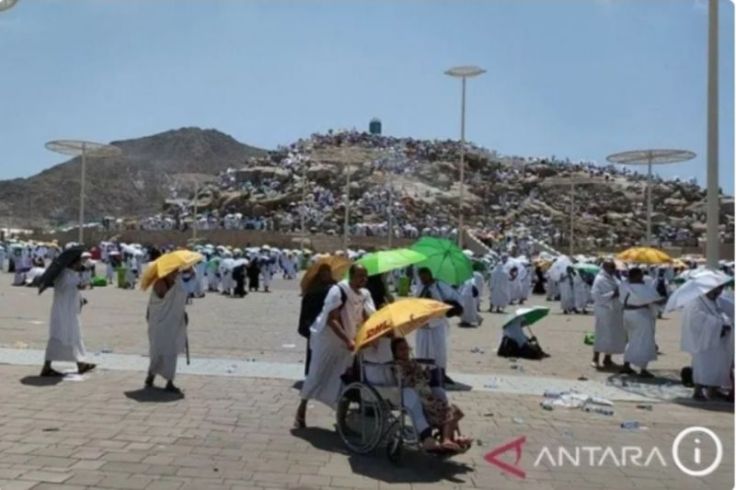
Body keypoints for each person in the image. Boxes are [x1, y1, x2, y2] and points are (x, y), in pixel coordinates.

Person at [295, 264, 375, 428]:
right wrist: (347, 340)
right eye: (360, 276)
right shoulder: (338, 290)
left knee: (344, 380)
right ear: (351, 276)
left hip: (348, 343)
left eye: (365, 276)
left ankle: (342, 421)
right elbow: (332, 320)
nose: (363, 279)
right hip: (329, 341)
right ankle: (301, 409)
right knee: (317, 374)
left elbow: (367, 316)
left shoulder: (365, 294)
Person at [391, 337, 471, 452]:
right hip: (419, 397)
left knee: (451, 409)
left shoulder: (413, 362)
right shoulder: (397, 366)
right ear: (395, 353)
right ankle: (447, 440)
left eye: (406, 348)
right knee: (449, 411)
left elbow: (424, 379)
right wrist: (416, 374)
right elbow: (407, 381)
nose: (405, 351)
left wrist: (425, 373)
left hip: (427, 395)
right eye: (401, 349)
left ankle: (449, 438)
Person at [40, 257, 96, 377]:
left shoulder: (70, 274)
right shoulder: (65, 275)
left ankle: (80, 364)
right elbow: (72, 287)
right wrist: (82, 279)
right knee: (58, 337)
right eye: (78, 262)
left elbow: (75, 290)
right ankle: (47, 366)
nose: (80, 264)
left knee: (74, 336)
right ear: (72, 263)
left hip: (69, 311)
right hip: (62, 312)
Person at [681, 284, 734, 401]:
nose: (717, 293)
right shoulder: (696, 302)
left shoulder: (718, 301)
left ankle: (713, 390)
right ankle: (698, 391)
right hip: (703, 341)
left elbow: (730, 310)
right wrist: (718, 324)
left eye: (720, 290)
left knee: (718, 367)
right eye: (715, 290)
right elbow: (695, 319)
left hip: (719, 340)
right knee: (702, 367)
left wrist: (725, 322)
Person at [413, 267, 461, 385]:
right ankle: (425, 373)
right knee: (422, 351)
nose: (423, 278)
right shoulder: (419, 287)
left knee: (439, 352)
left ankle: (441, 374)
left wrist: (434, 292)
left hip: (437, 325)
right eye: (421, 276)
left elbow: (450, 300)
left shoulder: (440, 286)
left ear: (430, 274)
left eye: (425, 275)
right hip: (423, 326)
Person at [145, 267, 189, 393]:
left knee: (171, 350)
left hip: (172, 323)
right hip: (159, 323)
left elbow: (177, 302)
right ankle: (151, 375)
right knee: (157, 350)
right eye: (173, 272)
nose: (176, 274)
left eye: (177, 272)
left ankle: (169, 381)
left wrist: (182, 312)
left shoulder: (176, 283)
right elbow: (162, 301)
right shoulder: (160, 283)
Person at [620, 268, 662, 378]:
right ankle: (643, 369)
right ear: (637, 276)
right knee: (644, 341)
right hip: (640, 315)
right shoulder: (643, 288)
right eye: (641, 275)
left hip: (627, 314)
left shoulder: (623, 286)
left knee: (631, 339)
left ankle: (626, 364)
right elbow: (656, 300)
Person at [298, 264, 336, 375]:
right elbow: (306, 311)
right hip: (316, 327)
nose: (325, 275)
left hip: (330, 327)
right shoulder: (313, 290)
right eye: (323, 273)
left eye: (327, 272)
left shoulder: (335, 288)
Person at [590, 261, 626, 369]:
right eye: (611, 267)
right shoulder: (599, 279)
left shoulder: (614, 278)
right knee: (601, 334)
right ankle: (595, 358)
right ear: (605, 267)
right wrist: (612, 294)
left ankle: (607, 358)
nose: (613, 269)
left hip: (615, 311)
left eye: (614, 267)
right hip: (604, 310)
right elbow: (595, 296)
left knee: (613, 335)